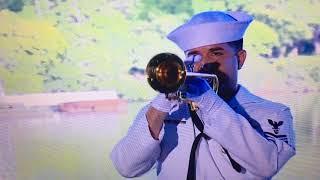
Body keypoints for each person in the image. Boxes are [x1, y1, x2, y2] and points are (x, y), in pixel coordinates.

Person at [110, 11, 296, 180]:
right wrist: (162, 102)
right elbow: (126, 167)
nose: (204, 64)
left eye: (216, 53)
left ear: (240, 59)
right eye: (194, 56)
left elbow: (267, 165)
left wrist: (208, 100)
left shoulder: (273, 113)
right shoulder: (166, 109)